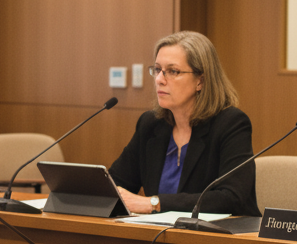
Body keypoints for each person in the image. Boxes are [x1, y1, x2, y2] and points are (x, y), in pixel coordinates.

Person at [109, 30, 259, 216]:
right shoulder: (151, 124)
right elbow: (116, 184)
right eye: (157, 70)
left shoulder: (231, 124)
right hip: (159, 237)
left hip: (220, 239)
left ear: (200, 81)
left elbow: (231, 198)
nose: (159, 80)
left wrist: (154, 203)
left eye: (173, 71)